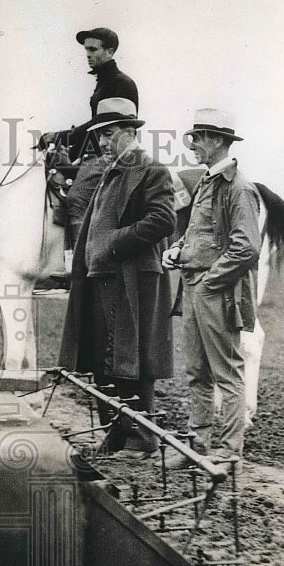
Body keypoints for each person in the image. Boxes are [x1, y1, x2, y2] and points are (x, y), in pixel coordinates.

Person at [58, 98, 176, 458]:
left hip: (131, 280)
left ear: (130, 131)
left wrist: (111, 242)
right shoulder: (110, 171)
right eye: (99, 137)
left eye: (109, 134)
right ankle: (116, 435)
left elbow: (163, 221)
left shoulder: (151, 169)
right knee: (101, 361)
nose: (103, 143)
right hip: (100, 278)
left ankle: (143, 439)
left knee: (131, 360)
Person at [162, 108, 261, 467]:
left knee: (227, 372)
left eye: (199, 138)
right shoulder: (207, 180)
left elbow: (247, 246)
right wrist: (177, 250)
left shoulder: (239, 188)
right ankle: (198, 442)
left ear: (219, 141)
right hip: (194, 286)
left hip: (215, 291)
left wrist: (210, 281)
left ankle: (230, 450)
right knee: (197, 372)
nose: (192, 145)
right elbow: (196, 232)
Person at [43, 28, 140, 257]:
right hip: (99, 151)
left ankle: (82, 264)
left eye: (93, 49)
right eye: (86, 49)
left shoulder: (120, 83)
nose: (87, 54)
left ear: (110, 51)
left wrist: (62, 137)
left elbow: (102, 124)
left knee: (77, 197)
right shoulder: (105, 81)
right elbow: (96, 127)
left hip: (114, 154)